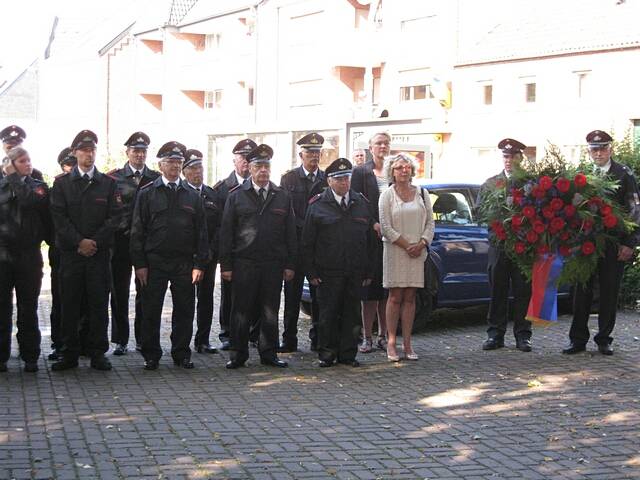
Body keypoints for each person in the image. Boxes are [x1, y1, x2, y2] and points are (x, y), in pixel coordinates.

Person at [130, 141, 209, 370]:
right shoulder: (147, 193)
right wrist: (140, 264)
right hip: (154, 262)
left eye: (178, 162)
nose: (175, 166)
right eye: (171, 162)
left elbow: (201, 232)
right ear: (160, 165)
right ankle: (151, 354)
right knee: (151, 309)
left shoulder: (192, 195)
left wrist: (199, 264)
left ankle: (181, 353)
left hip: (184, 262)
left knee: (185, 309)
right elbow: (137, 231)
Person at [49, 130, 123, 371]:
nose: (88, 155)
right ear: (75, 153)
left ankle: (97, 353)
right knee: (69, 304)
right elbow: (59, 218)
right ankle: (68, 353)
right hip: (71, 255)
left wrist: (93, 242)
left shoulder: (108, 184)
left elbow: (114, 218)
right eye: (83, 150)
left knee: (98, 304)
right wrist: (79, 242)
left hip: (98, 255)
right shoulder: (62, 184)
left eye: (92, 150)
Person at [563, 130, 640, 356]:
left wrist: (630, 243)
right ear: (589, 151)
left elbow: (635, 211)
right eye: (594, 149)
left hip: (613, 243)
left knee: (608, 292)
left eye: (602, 148)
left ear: (610, 149)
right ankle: (577, 340)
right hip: (584, 243)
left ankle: (604, 339)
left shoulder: (624, 174)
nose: (598, 153)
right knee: (581, 293)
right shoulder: (581, 175)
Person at [220, 144, 297, 369]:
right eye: (258, 166)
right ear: (250, 169)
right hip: (244, 263)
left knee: (270, 310)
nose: (263, 171)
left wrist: (290, 263)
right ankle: (238, 353)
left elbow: (290, 232)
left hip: (273, 263)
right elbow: (226, 233)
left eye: (266, 166)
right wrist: (226, 265)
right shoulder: (236, 196)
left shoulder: (282, 196)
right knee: (241, 310)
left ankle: (269, 353)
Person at [302, 158, 377, 367]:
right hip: (328, 271)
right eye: (340, 179)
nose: (344, 183)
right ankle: (327, 354)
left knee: (352, 314)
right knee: (327, 314)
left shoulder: (360, 202)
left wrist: (369, 271)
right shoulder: (317, 205)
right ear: (329, 181)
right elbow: (307, 242)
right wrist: (311, 272)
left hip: (354, 270)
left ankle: (348, 354)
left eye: (347, 178)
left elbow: (370, 241)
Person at [107, 132, 160, 356]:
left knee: (145, 292)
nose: (139, 155)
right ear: (127, 152)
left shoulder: (155, 178)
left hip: (146, 244)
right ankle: (120, 340)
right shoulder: (113, 179)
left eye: (143, 151)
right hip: (120, 243)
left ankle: (143, 338)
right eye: (135, 151)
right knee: (119, 293)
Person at [0, 147, 52, 373]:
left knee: (28, 307)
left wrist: (13, 177)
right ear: (10, 164)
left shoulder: (38, 186)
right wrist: (9, 179)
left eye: (29, 160)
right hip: (2, 255)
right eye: (22, 161)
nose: (28, 164)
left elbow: (29, 201)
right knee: (2, 308)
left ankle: (30, 355)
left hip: (29, 255)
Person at [379, 153, 434, 361]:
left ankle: (408, 344)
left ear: (412, 170)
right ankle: (391, 343)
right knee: (395, 297)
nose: (403, 171)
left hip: (417, 252)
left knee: (410, 298)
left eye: (406, 167)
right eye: (399, 167)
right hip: (395, 250)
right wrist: (406, 245)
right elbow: (385, 226)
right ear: (391, 172)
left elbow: (430, 223)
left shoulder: (422, 193)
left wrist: (421, 244)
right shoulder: (386, 195)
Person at [479, 138, 532, 352]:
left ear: (521, 158)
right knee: (497, 290)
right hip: (499, 245)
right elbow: (481, 212)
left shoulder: (531, 183)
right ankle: (495, 334)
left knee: (523, 291)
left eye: (513, 156)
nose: (509, 160)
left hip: (523, 246)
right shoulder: (491, 183)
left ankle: (523, 335)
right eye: (506, 156)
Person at [279, 132, 327, 352]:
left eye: (317, 152)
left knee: (319, 296)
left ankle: (318, 339)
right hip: (296, 246)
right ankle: (289, 340)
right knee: (292, 296)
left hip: (318, 247)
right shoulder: (289, 179)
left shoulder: (327, 179)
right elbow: (285, 213)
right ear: (301, 154)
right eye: (309, 152)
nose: (314, 156)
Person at [212, 138, 257, 350]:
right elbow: (220, 227)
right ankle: (227, 333)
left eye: (251, 158)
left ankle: (254, 334)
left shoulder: (263, 187)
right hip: (233, 252)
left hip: (255, 253)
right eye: (243, 158)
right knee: (230, 295)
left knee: (256, 294)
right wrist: (225, 258)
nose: (247, 162)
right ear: (234, 161)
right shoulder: (222, 189)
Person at [350, 132, 390, 353]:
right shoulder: (361, 172)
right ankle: (367, 337)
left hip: (392, 239)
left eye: (386, 143)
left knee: (387, 290)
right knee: (370, 291)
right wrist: (372, 223)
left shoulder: (395, 170)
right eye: (378, 143)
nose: (382, 147)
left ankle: (385, 335)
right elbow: (357, 202)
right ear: (371, 148)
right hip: (370, 238)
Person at [182, 149, 221, 354]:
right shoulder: (181, 193)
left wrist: (211, 250)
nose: (198, 172)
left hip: (208, 257)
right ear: (184, 172)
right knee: (186, 301)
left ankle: (203, 340)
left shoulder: (212, 193)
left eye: (200, 168)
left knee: (206, 299)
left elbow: (218, 226)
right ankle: (183, 342)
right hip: (186, 257)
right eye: (193, 168)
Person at [48, 147, 78, 361]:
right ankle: (60, 343)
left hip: (87, 251)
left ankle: (83, 343)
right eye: (68, 165)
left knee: (85, 301)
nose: (71, 169)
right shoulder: (57, 187)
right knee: (61, 300)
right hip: (61, 251)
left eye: (74, 164)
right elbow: (52, 222)